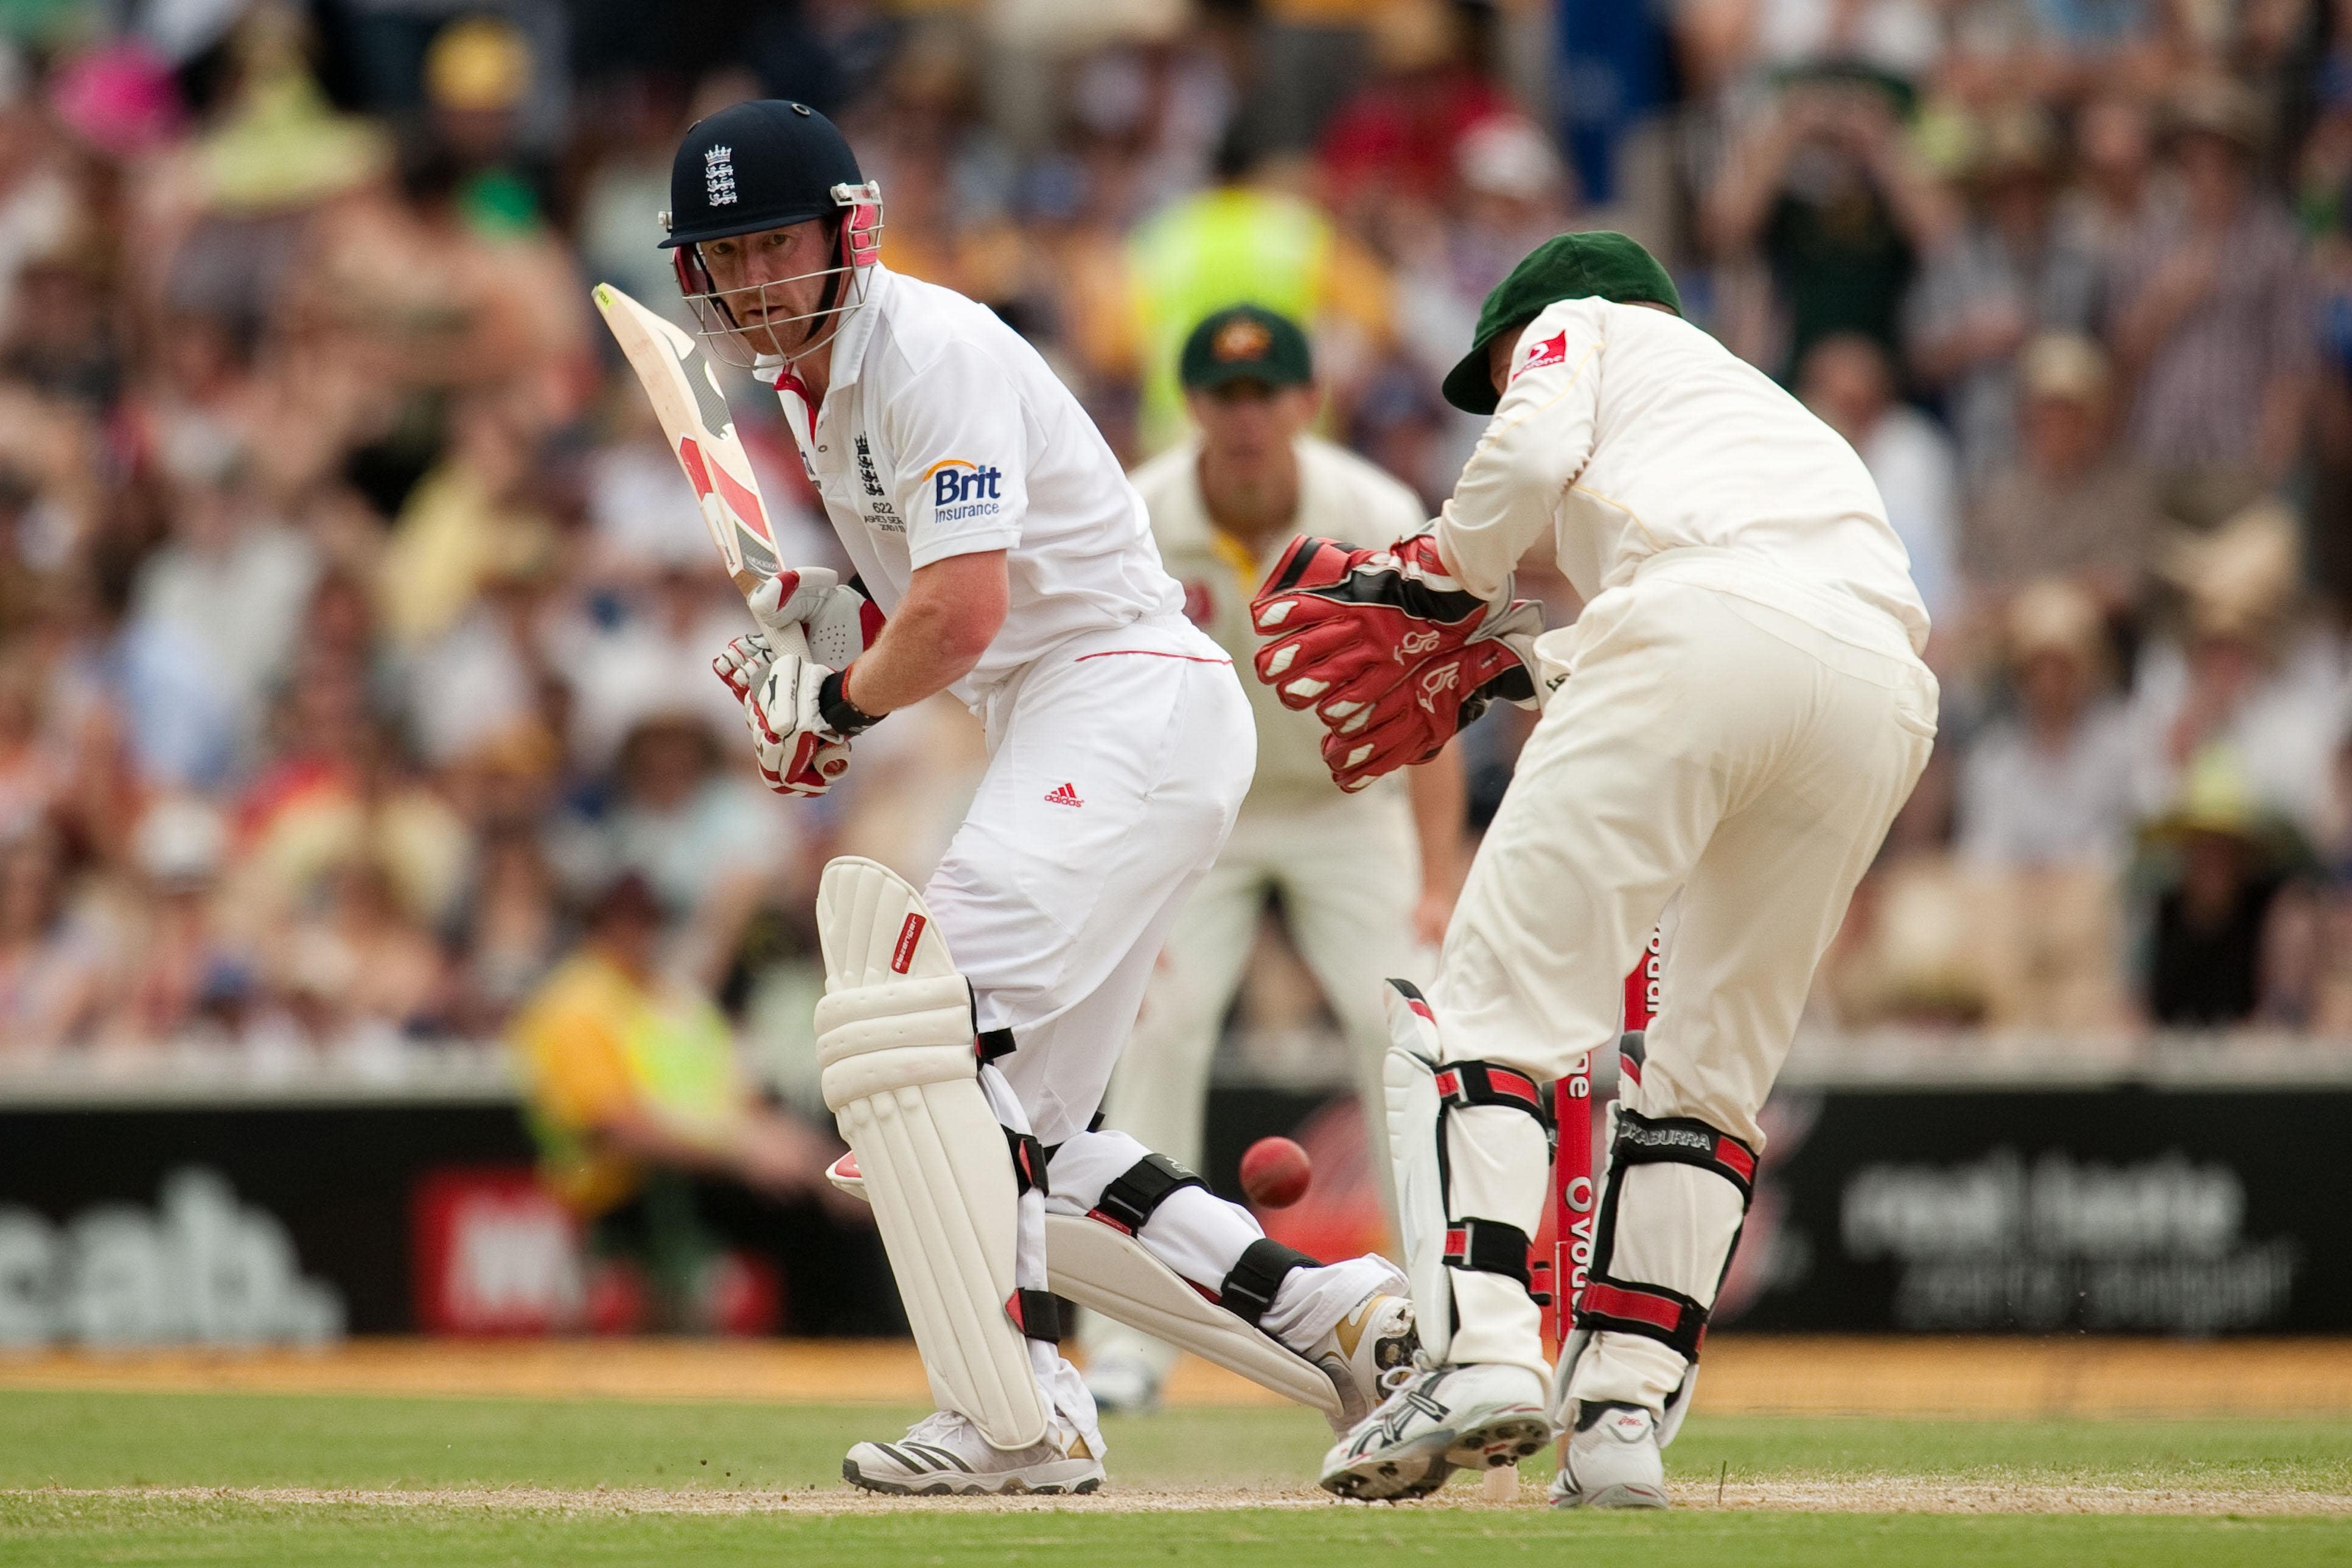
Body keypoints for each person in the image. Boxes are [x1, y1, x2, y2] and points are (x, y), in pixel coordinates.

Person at [657, 100, 1414, 1497]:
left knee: (923, 1041)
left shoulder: (925, 351)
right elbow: (923, 612)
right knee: (1031, 1140)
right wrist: (823, 636)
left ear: (846, 230)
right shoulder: (815, 389)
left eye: (776, 242)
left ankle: (1022, 1407)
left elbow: (960, 613)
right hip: (1086, 718)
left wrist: (831, 708)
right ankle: (1347, 1318)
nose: (756, 278)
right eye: (727, 255)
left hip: (1120, 701)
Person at [1249, 232, 1935, 1505]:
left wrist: (1438, 576)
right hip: (1878, 690)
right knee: (1710, 1069)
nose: (1499, 391)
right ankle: (1622, 1414)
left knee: (1496, 997)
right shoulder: (1757, 416)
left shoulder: (1589, 328)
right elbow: (1754, 621)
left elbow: (1547, 481)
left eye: (1496, 368)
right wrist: (1511, 660)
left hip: (1702, 633)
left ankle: (1488, 1350)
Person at [1080, 304, 1465, 1415]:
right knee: (1153, 1025)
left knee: (1402, 1025)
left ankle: (1442, 1325)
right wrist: (1111, 888)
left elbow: (1424, 704)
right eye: (1222, 396)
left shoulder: (1373, 513)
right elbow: (1096, 709)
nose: (1243, 418)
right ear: (1191, 405)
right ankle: (1130, 1345)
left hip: (1350, 799)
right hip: (1193, 806)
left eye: (1265, 395)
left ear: (1306, 402)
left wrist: (1436, 880)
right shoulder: (1140, 518)